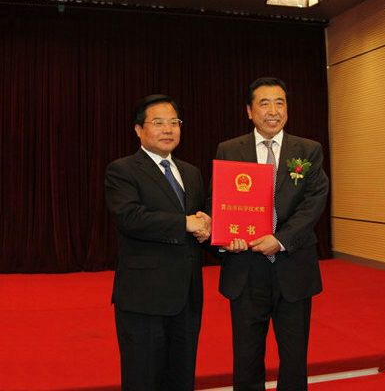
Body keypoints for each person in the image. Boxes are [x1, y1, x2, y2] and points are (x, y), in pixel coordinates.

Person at [212, 77, 329, 391]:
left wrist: (280, 240)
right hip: (246, 269)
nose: (273, 111)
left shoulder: (308, 150)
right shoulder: (229, 149)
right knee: (247, 356)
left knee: (294, 357)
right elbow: (219, 201)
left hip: (293, 267)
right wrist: (227, 237)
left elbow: (314, 202)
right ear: (250, 111)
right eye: (264, 103)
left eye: (280, 103)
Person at [105, 94, 210, 391]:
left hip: (187, 296)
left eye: (174, 122)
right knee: (143, 379)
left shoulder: (191, 172)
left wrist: (209, 229)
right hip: (144, 298)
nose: (168, 129)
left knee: (181, 378)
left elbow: (198, 222)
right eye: (159, 123)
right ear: (139, 130)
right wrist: (185, 223)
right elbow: (130, 217)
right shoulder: (122, 170)